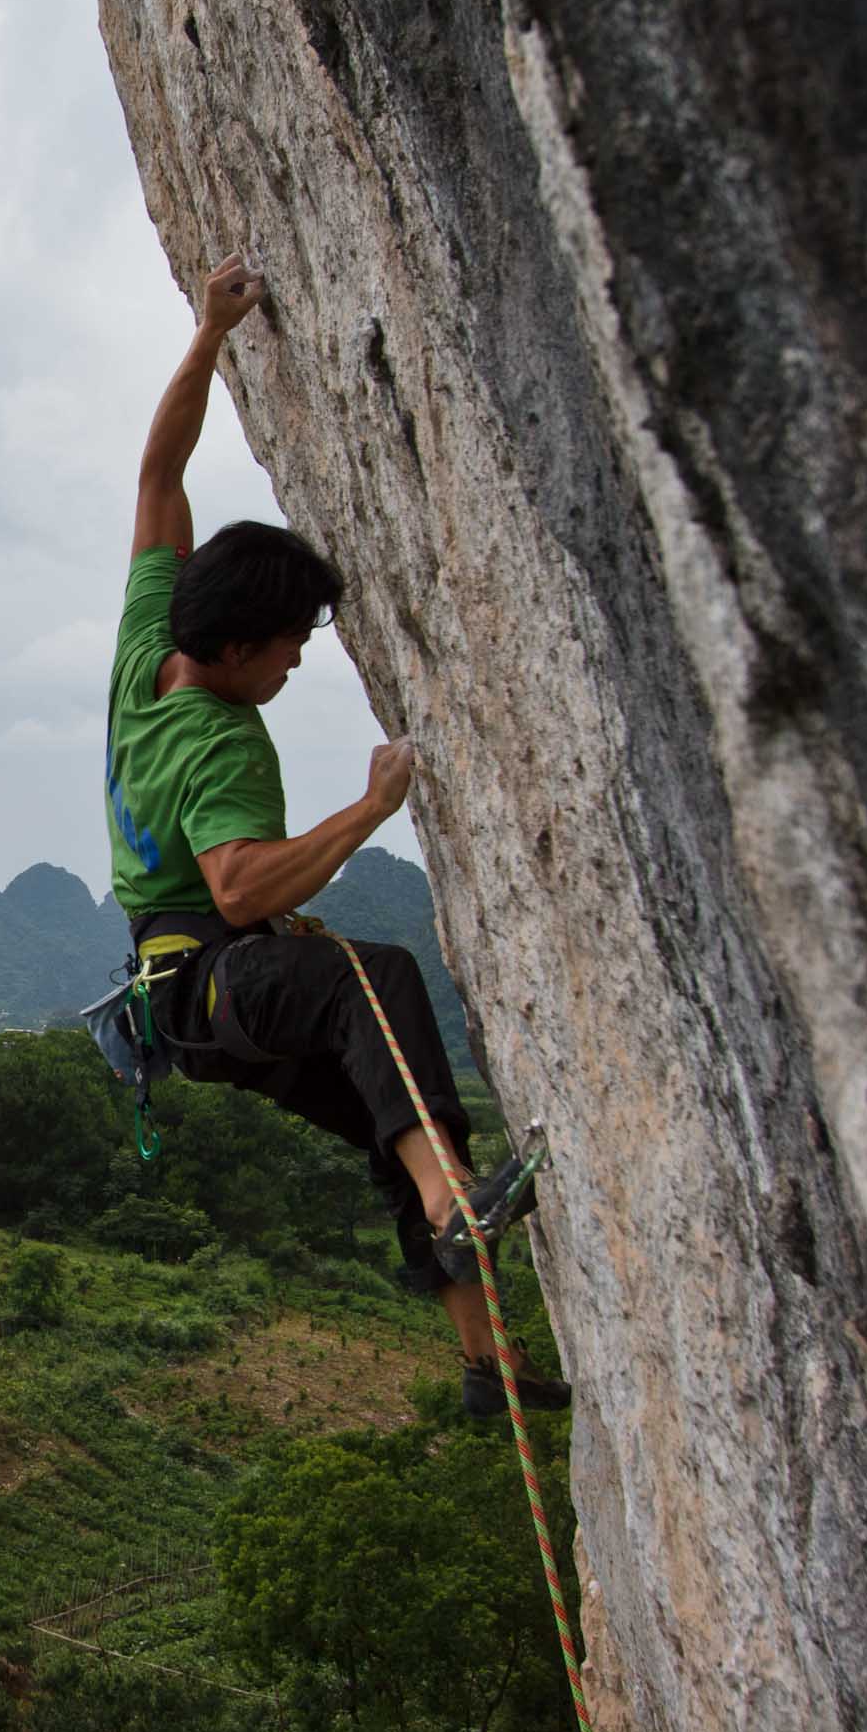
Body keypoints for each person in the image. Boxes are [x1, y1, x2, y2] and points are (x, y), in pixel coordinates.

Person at [108, 254, 566, 1417]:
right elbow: (244, 884)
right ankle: (456, 1205)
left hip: (182, 998)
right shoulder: (218, 740)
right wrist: (368, 810)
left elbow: (160, 469)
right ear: (238, 647)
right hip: (212, 980)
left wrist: (209, 335)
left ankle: (484, 1367)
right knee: (373, 975)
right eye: (290, 642)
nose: (301, 657)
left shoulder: (145, 647)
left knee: (388, 1096)